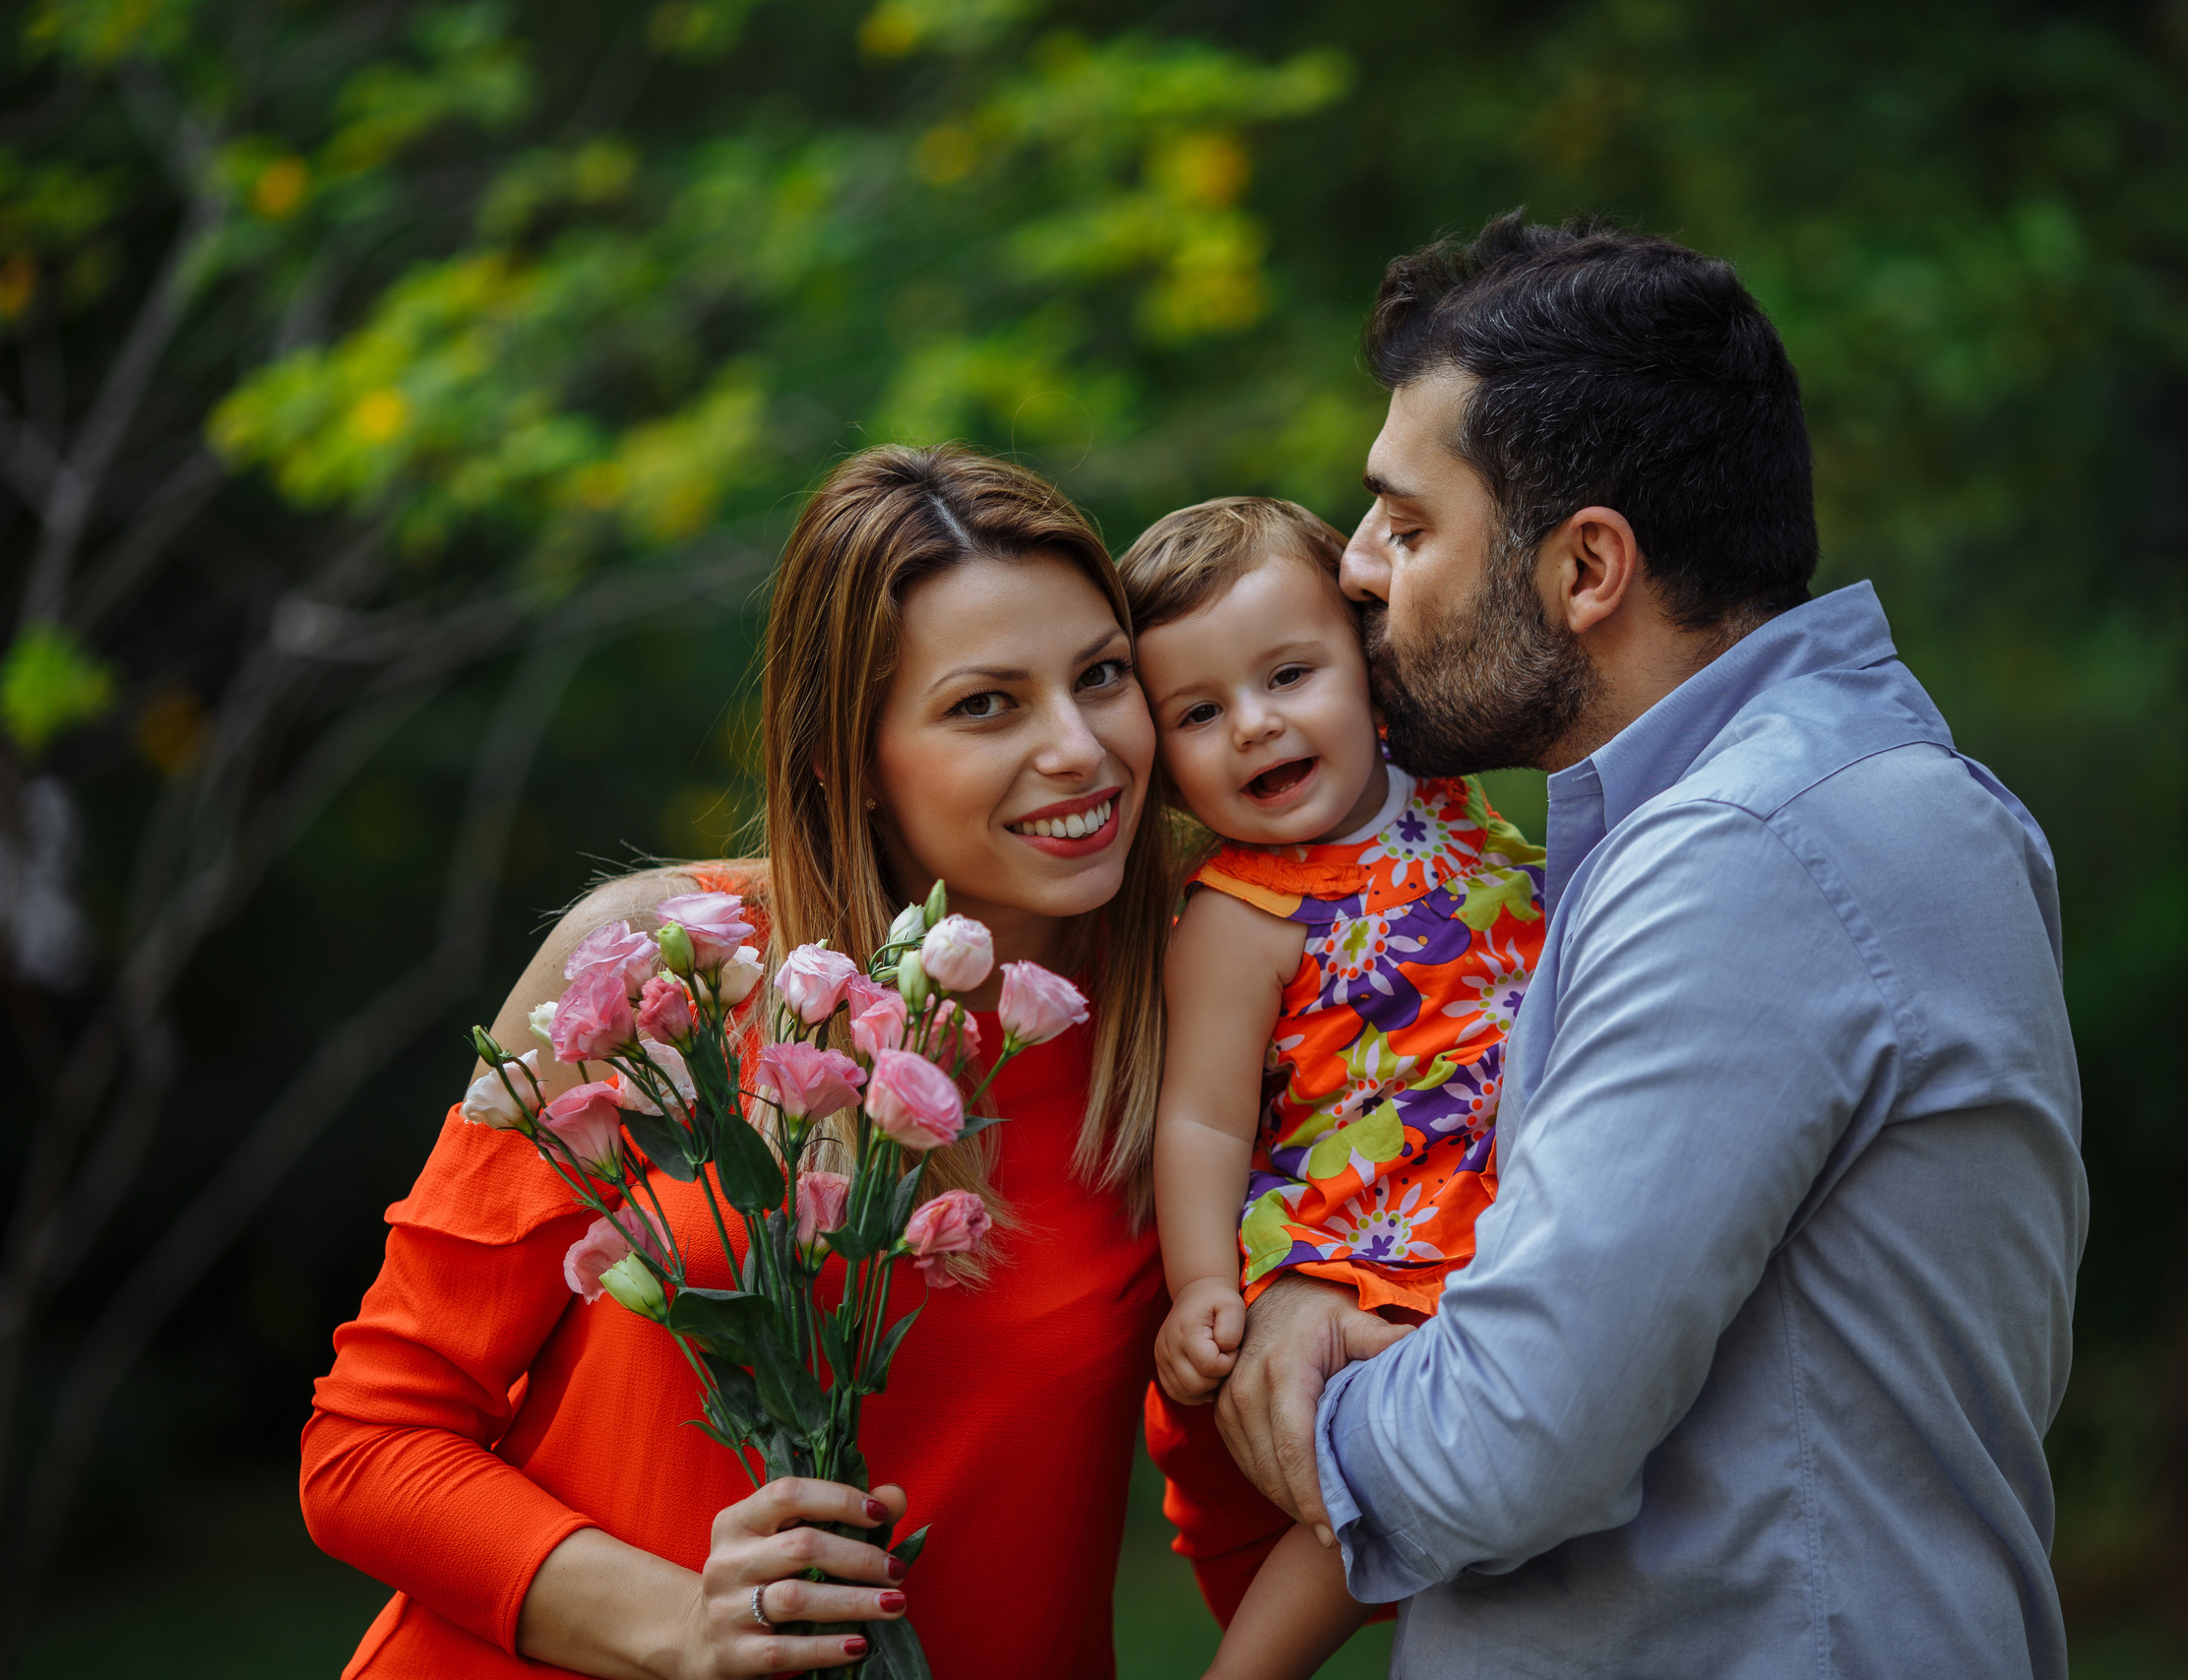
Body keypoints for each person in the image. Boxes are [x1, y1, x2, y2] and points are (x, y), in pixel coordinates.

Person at [1215, 213, 2088, 1677]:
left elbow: (1507, 1443)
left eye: (1411, 524)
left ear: (1587, 569)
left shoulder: (1746, 853)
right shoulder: (1834, 798)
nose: (1354, 567)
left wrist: (1304, 1373)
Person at [301, 445, 1177, 1679]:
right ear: (844, 761)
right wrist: (676, 1624)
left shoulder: (1188, 1030)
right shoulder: (660, 973)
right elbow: (368, 1446)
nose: (1081, 748)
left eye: (1102, 677)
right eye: (987, 703)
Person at [1115, 497, 1548, 1678]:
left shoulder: (1450, 785)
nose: (1253, 727)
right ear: (1157, 764)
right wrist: (1206, 1282)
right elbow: (1199, 1116)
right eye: (1198, 713)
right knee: (1369, 1460)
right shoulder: (1236, 915)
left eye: (1288, 674)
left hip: (1513, 1191)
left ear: (1367, 666)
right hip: (1370, 1229)